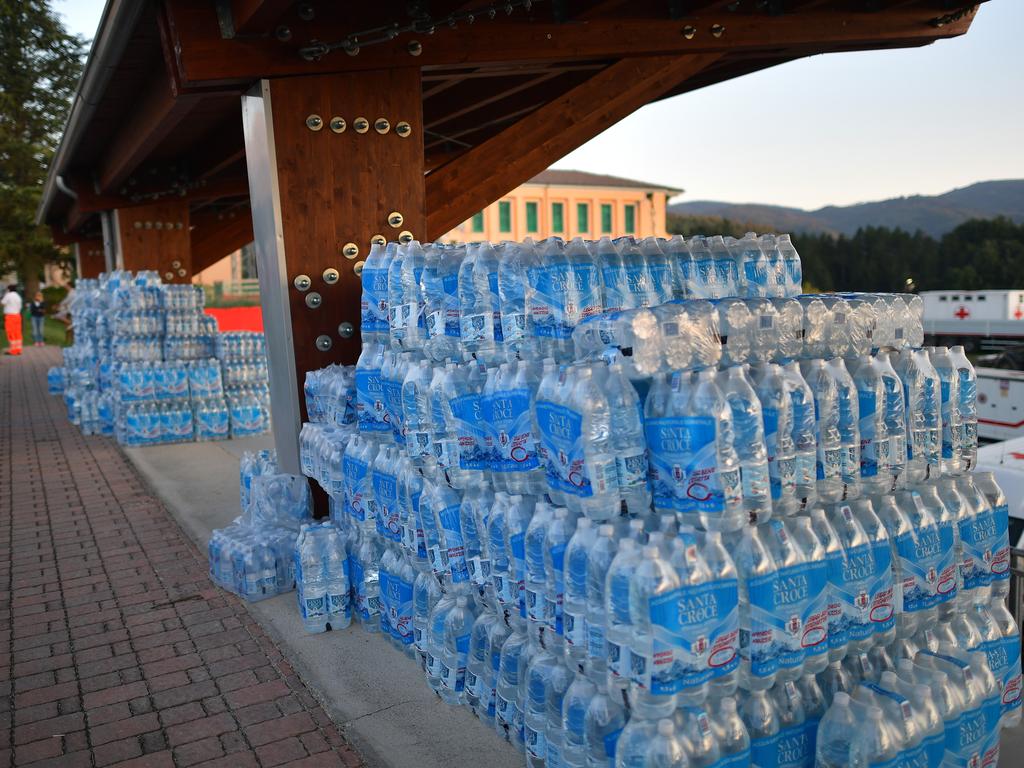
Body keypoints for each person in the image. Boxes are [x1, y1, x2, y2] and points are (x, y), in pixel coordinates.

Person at [2, 285, 23, 356]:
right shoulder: (18, 296)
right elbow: (20, 307)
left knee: (11, 333)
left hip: (10, 316)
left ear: (9, 289)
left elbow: (2, 303)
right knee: (17, 333)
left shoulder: (8, 295)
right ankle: (18, 349)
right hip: (17, 316)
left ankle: (13, 350)